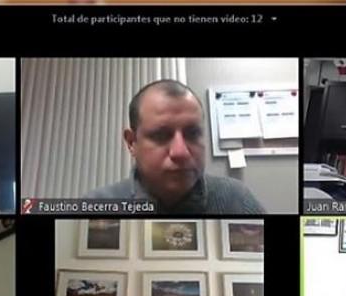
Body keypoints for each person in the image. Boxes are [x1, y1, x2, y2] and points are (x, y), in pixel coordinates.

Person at [86, 79, 265, 215]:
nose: (181, 152)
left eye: (193, 134)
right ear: (132, 142)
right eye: (160, 136)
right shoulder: (95, 207)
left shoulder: (238, 202)